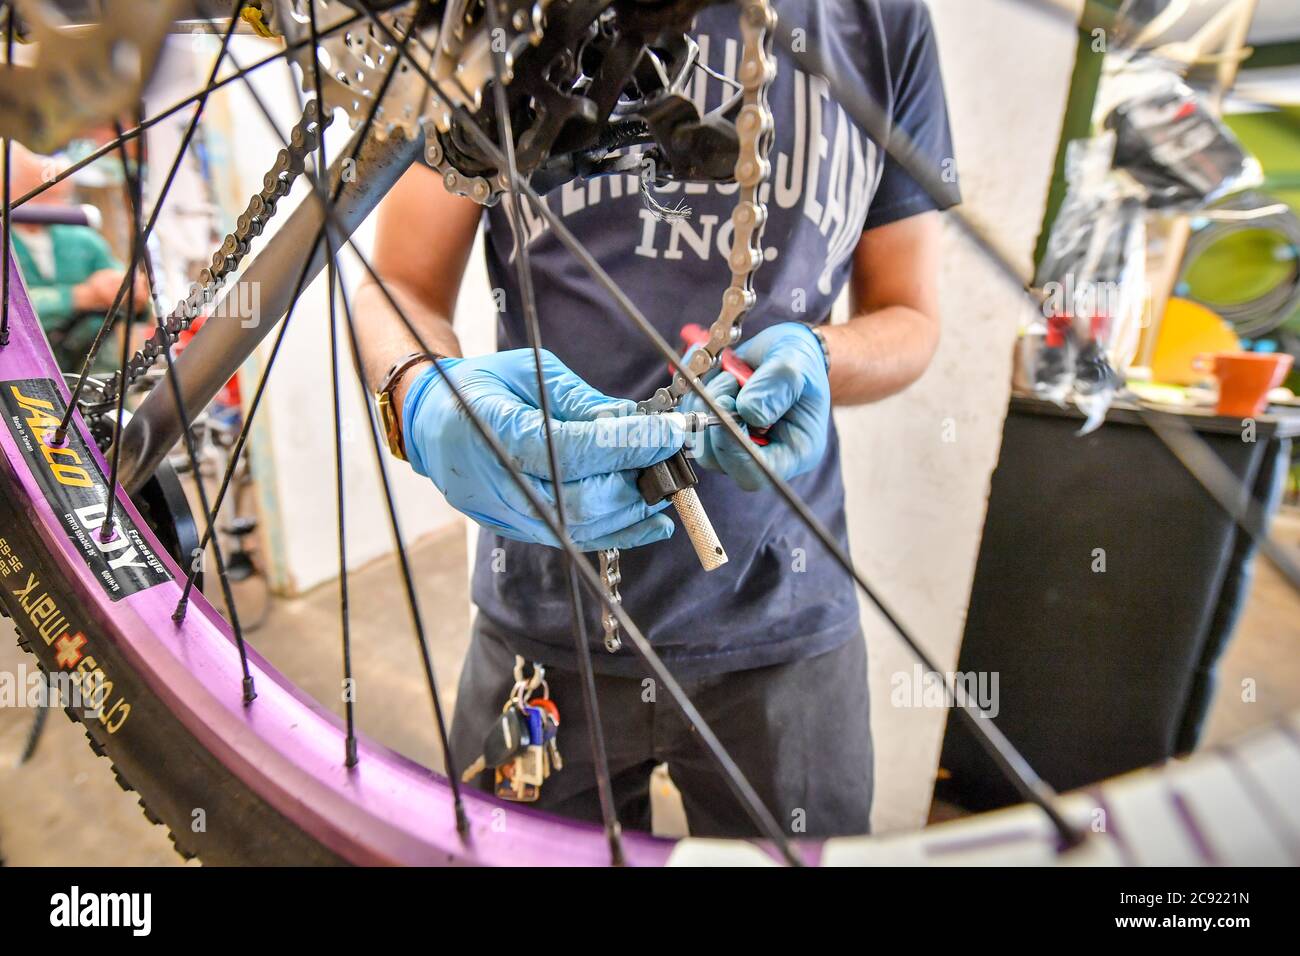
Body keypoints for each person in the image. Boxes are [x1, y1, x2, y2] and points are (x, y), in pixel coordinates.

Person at [356, 0, 958, 838]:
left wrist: (821, 357)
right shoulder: (497, 12)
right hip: (541, 615)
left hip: (783, 622)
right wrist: (420, 400)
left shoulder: (884, 22)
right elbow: (400, 284)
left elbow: (912, 315)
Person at [6, 144, 144, 371]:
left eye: (60, 197)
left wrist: (131, 294)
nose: (55, 207)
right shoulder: (6, 242)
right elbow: (11, 315)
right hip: (22, 378)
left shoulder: (83, 240)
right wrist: (79, 297)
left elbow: (133, 300)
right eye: (41, 195)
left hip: (92, 374)